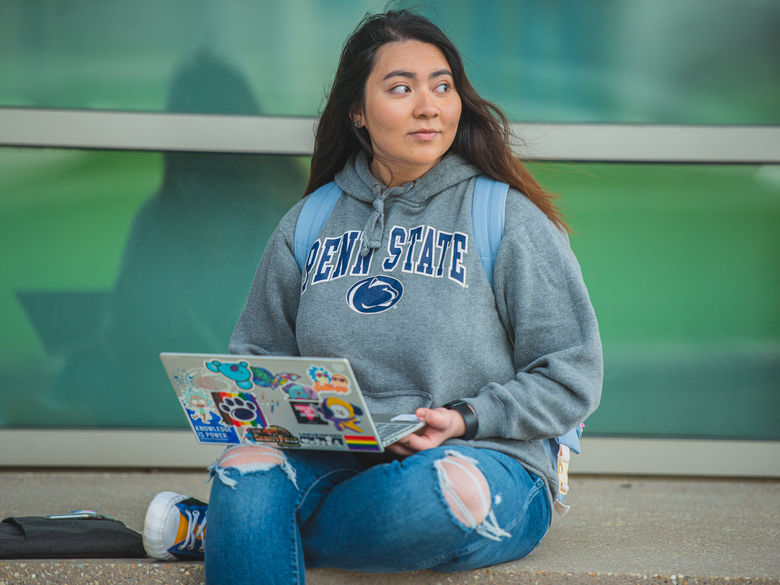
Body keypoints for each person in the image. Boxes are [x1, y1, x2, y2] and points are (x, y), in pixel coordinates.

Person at [142, 9, 602, 584]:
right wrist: (266, 405)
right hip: (337, 460)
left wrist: (464, 418)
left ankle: (230, 531)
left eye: (442, 86)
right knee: (246, 471)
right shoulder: (307, 222)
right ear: (358, 111)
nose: (429, 105)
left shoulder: (505, 217)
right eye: (401, 88)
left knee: (439, 494)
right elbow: (259, 357)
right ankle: (245, 518)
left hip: (486, 462)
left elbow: (569, 375)